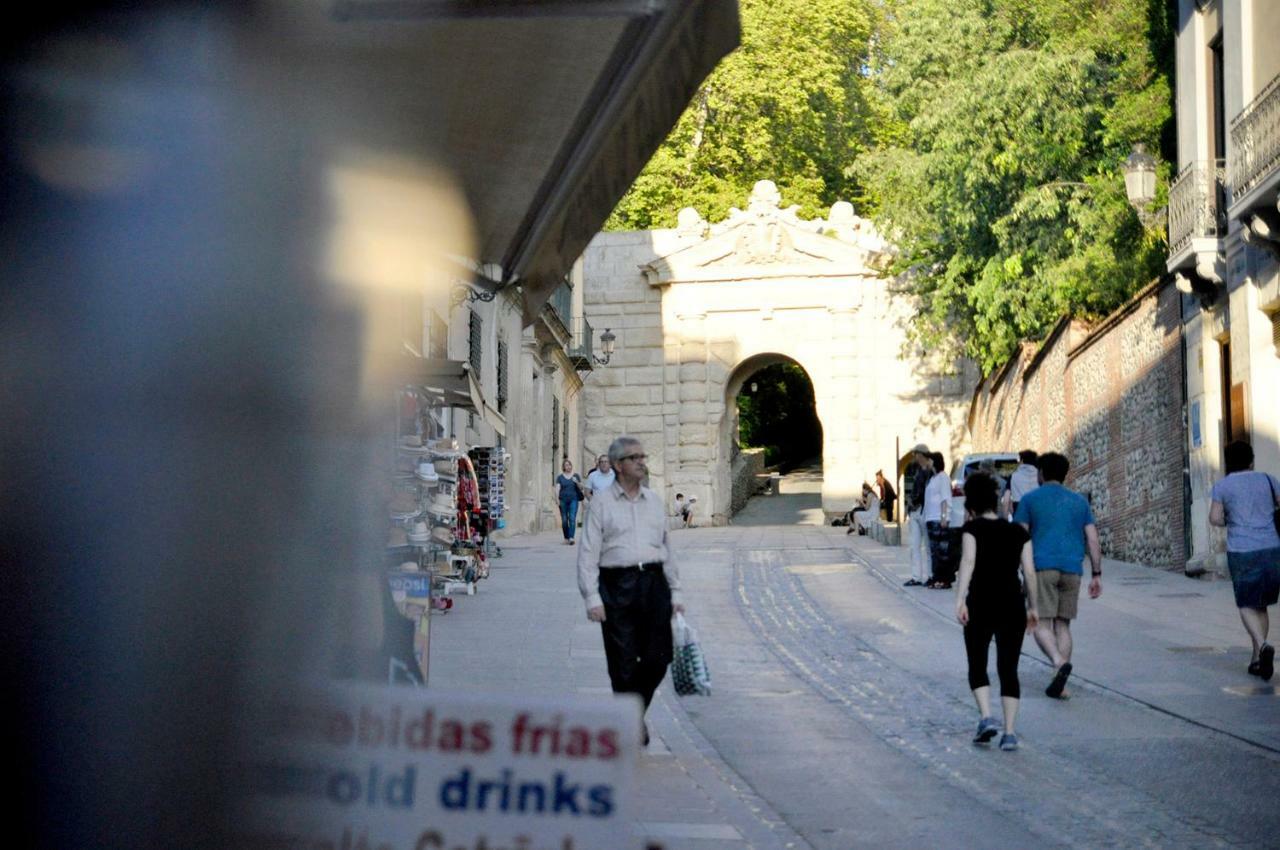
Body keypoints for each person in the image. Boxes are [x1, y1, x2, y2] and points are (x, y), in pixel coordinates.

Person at [577, 437, 684, 746]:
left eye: (642, 456)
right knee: (622, 663)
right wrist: (592, 597)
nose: (641, 461)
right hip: (616, 585)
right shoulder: (601, 503)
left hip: (654, 583)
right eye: (634, 457)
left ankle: (631, 714)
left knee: (658, 657)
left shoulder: (654, 501)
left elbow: (666, 547)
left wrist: (675, 591)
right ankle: (631, 720)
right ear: (619, 465)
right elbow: (587, 552)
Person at [954, 472, 1039, 752]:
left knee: (977, 663)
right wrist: (1034, 607)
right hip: (1012, 605)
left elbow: (968, 562)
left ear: (972, 504)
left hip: (980, 603)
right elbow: (1029, 572)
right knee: (1008, 668)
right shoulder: (1018, 532)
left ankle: (986, 717)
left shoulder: (972, 530)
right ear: (995, 501)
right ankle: (1010, 733)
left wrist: (960, 600)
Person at [1013, 451, 1101, 699]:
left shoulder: (1030, 500)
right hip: (1072, 569)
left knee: (1040, 623)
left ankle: (1058, 663)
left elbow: (1019, 537)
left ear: (1041, 473)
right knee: (1063, 625)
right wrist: (1097, 573)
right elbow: (1093, 539)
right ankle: (1059, 684)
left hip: (1042, 567)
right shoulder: (1079, 502)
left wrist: (1017, 568)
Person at [1209, 440, 1280, 681]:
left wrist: (1232, 517)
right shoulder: (1269, 480)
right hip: (1272, 548)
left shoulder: (1222, 486)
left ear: (1228, 462)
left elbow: (1215, 518)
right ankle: (1257, 660)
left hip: (1242, 550)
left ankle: (1262, 646)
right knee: (1261, 604)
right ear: (1251, 460)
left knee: (1245, 604)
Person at [924, 452, 955, 589]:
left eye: (929, 459)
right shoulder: (933, 478)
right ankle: (936, 576)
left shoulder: (943, 477)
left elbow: (945, 498)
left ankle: (945, 579)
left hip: (939, 518)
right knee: (934, 550)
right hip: (931, 517)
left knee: (942, 551)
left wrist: (944, 516)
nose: (927, 462)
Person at [904, 443, 934, 587]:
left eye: (915, 454)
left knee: (928, 546)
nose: (914, 457)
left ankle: (931, 575)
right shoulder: (916, 469)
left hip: (924, 510)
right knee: (914, 546)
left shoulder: (931, 470)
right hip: (914, 511)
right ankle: (916, 576)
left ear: (921, 454)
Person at [554, 458, 584, 545]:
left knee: (572, 518)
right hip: (563, 500)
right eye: (566, 465)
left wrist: (577, 482)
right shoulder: (560, 477)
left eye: (569, 465)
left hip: (573, 499)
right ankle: (566, 538)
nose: (568, 466)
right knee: (564, 520)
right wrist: (557, 499)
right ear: (563, 467)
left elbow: (581, 488)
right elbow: (557, 489)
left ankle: (571, 538)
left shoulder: (576, 476)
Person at [1004, 449, 1039, 518]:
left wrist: (1005, 519)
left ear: (1022, 461)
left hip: (1019, 512)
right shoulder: (1040, 476)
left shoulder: (1013, 476)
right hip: (1036, 512)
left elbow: (1006, 500)